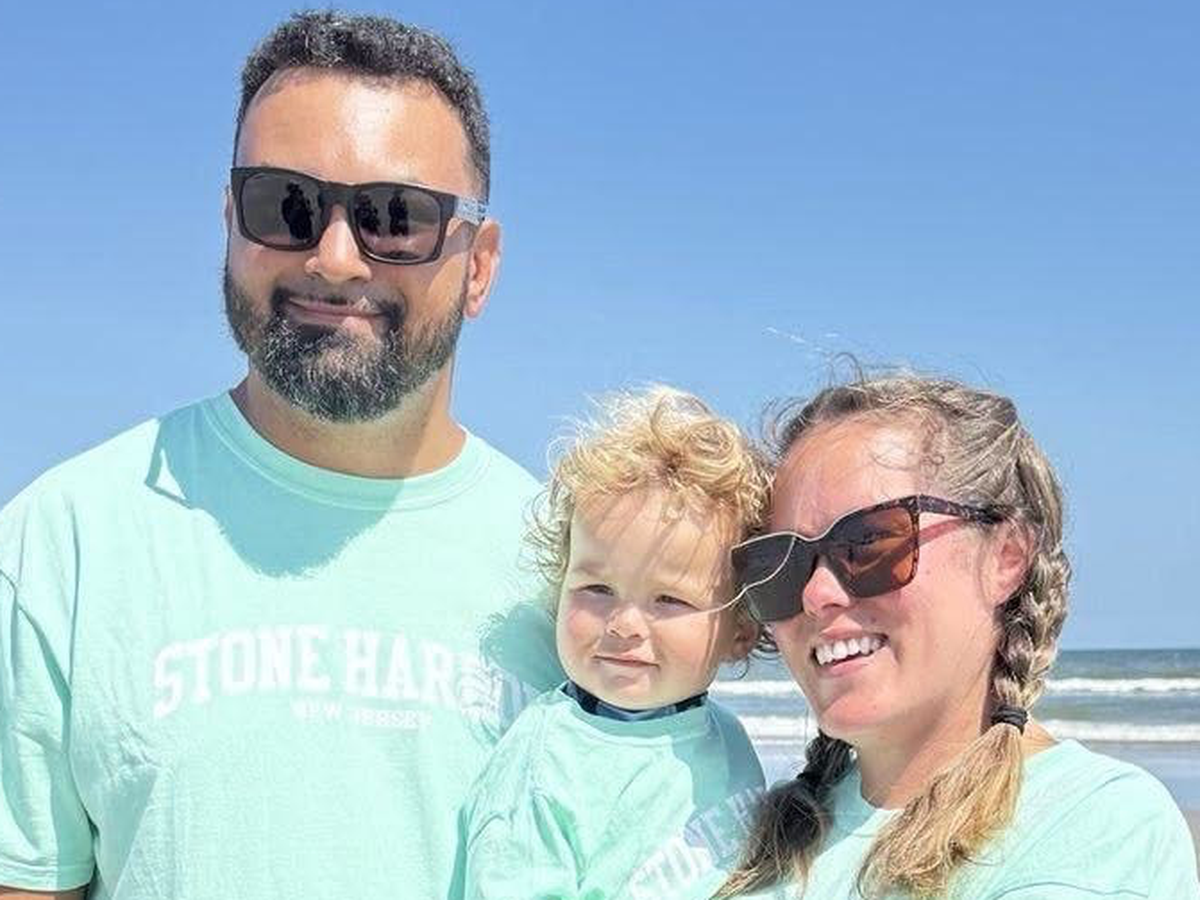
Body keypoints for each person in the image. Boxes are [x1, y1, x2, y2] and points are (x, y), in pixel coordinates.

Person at [0, 11, 562, 900]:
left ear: (480, 265)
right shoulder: (61, 543)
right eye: (286, 207)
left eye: (396, 217)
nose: (335, 260)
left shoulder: (572, 571)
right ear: (231, 222)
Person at [716, 373, 1200, 899]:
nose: (816, 594)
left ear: (1005, 557)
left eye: (870, 543)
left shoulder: (1098, 827)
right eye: (779, 565)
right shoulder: (745, 837)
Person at [454, 387, 769, 899]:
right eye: (597, 590)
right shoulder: (547, 755)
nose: (624, 624)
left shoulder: (729, 739)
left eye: (669, 599)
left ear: (741, 632)